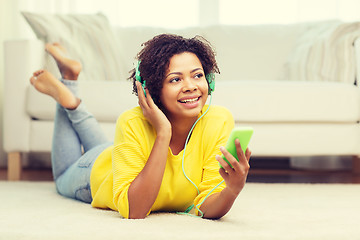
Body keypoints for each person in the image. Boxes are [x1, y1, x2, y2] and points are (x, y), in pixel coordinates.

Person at [30, 34, 251, 219]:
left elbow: (206, 204)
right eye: (175, 79)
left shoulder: (219, 120)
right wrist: (163, 132)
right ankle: (68, 94)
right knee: (60, 180)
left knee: (110, 145)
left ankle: (70, 86)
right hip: (96, 169)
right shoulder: (132, 122)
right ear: (151, 89)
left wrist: (231, 190)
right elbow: (135, 210)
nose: (191, 86)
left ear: (209, 81)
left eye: (198, 75)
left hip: (120, 151)